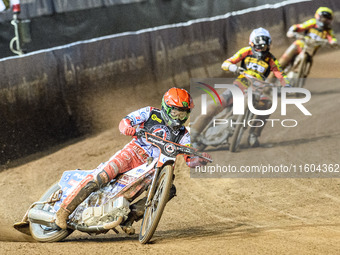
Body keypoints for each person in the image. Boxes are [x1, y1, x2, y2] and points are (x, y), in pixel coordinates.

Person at [55, 87, 212, 233]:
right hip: (134, 152)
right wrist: (128, 128)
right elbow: (125, 122)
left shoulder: (185, 135)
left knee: (169, 190)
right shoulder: (150, 113)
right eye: (176, 112)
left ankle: (129, 218)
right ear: (166, 107)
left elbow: (189, 160)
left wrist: (200, 160)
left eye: (183, 114)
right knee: (103, 175)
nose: (179, 117)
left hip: (156, 167)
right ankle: (64, 210)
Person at [191, 27, 290, 148]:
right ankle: (192, 136)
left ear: (268, 45)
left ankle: (254, 135)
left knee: (268, 104)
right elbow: (226, 63)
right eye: (259, 46)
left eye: (264, 46)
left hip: (258, 90)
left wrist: (286, 85)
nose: (261, 49)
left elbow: (280, 74)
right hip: (240, 85)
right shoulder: (246, 51)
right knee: (213, 105)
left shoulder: (271, 59)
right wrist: (232, 67)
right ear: (252, 44)